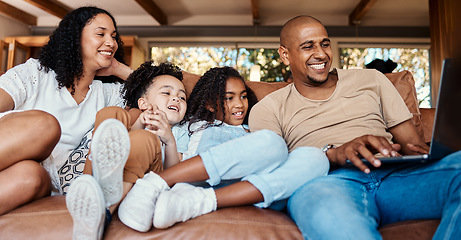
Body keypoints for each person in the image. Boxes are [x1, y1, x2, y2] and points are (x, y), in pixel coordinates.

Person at [249, 15, 461, 239]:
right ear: (285, 55)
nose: (321, 54)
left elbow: (413, 145)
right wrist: (333, 154)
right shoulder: (267, 109)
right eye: (308, 46)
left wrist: (431, 155)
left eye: (325, 43)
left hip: (395, 177)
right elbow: (271, 173)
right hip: (327, 184)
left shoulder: (372, 79)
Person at [117, 66, 329, 232]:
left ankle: (197, 203)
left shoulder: (253, 128)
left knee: (316, 158)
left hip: (255, 191)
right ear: (209, 104)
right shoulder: (194, 126)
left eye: (244, 96)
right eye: (229, 98)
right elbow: (169, 157)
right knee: (272, 143)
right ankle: (167, 191)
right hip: (203, 181)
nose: (240, 104)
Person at [0, 6, 133, 217]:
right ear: (74, 38)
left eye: (114, 36)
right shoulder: (37, 74)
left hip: (41, 177)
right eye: (101, 34)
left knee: (33, 176)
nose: (111, 42)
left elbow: (155, 94)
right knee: (45, 126)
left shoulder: (109, 95)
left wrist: (119, 69)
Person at [66, 60, 188, 240]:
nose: (176, 98)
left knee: (145, 138)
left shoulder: (182, 132)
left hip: (149, 182)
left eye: (182, 97)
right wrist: (140, 122)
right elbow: (122, 143)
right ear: (144, 103)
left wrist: (169, 140)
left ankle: (102, 211)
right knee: (111, 114)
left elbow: (174, 173)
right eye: (166, 92)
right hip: (111, 173)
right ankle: (88, 184)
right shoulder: (134, 117)